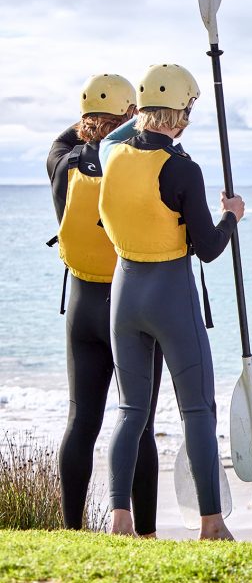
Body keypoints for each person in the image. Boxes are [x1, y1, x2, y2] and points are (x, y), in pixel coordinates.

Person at [98, 63, 244, 540]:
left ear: (141, 109)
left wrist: (140, 116)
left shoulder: (111, 153)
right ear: (180, 113)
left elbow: (123, 132)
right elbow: (208, 248)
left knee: (130, 410)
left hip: (124, 294)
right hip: (171, 297)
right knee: (197, 409)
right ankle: (212, 523)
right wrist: (231, 217)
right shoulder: (182, 168)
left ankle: (120, 520)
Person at [45, 74, 163, 535]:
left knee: (81, 420)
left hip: (81, 304)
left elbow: (63, 136)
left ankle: (72, 530)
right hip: (130, 305)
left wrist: (91, 124)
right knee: (139, 421)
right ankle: (147, 531)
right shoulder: (133, 164)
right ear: (130, 116)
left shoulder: (61, 162)